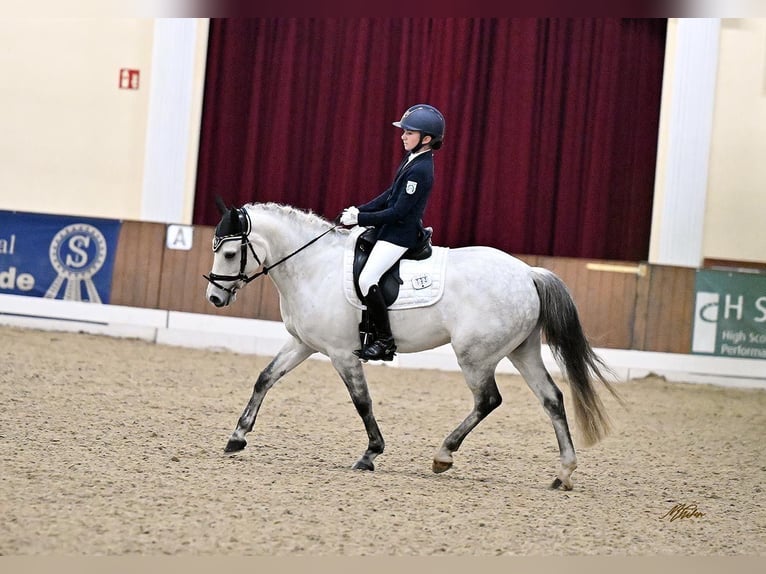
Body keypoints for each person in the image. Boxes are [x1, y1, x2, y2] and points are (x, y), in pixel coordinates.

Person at [339, 103, 445, 361]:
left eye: (409, 133)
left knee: (367, 279)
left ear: (426, 139)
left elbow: (398, 212)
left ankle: (385, 341)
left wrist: (361, 218)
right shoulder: (413, 159)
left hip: (400, 235)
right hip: (390, 229)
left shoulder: (421, 169)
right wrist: (359, 209)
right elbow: (389, 194)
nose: (403, 136)